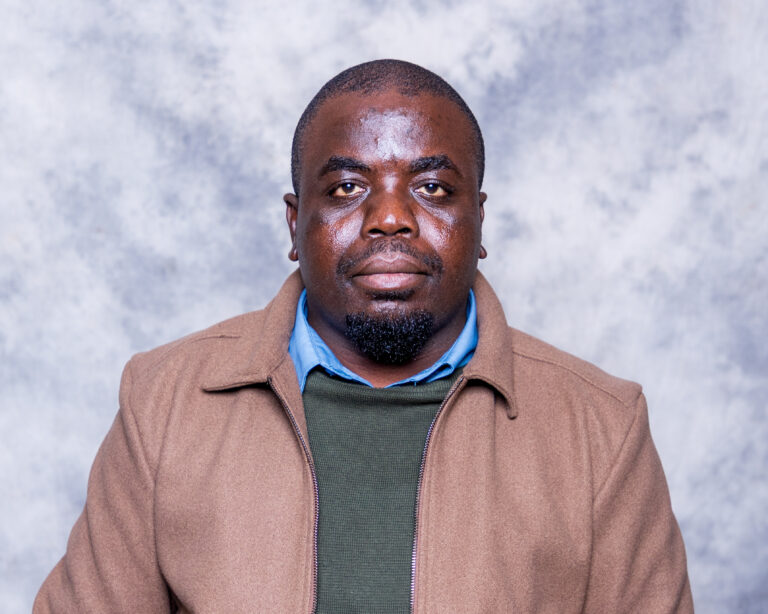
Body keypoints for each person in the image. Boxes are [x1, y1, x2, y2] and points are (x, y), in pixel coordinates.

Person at [35, 59, 693, 613]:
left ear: (479, 222)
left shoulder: (600, 428)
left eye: (432, 187)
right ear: (295, 224)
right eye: (348, 187)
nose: (389, 217)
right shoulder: (166, 402)